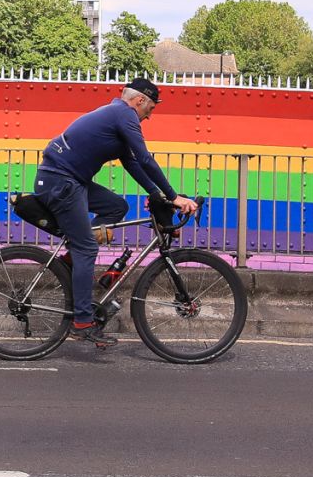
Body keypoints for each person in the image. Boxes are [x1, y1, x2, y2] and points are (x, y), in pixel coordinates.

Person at [33, 77, 198, 348]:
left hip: (69, 180)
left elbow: (133, 164)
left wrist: (157, 195)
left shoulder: (114, 115)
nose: (150, 116)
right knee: (87, 247)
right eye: (151, 109)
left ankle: (72, 260)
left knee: (116, 206)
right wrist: (173, 196)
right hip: (60, 182)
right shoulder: (124, 114)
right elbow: (145, 158)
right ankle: (82, 323)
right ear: (139, 101)